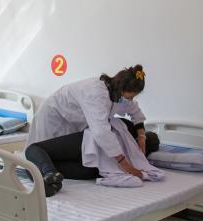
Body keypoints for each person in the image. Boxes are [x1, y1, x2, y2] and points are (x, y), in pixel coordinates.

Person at [25, 65, 159, 196]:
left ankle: (47, 173)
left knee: (40, 155)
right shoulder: (96, 93)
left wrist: (142, 137)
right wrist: (126, 164)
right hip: (55, 119)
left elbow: (135, 113)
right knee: (43, 152)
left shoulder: (119, 98)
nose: (131, 100)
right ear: (121, 88)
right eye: (130, 97)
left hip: (86, 142)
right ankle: (45, 172)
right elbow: (101, 132)